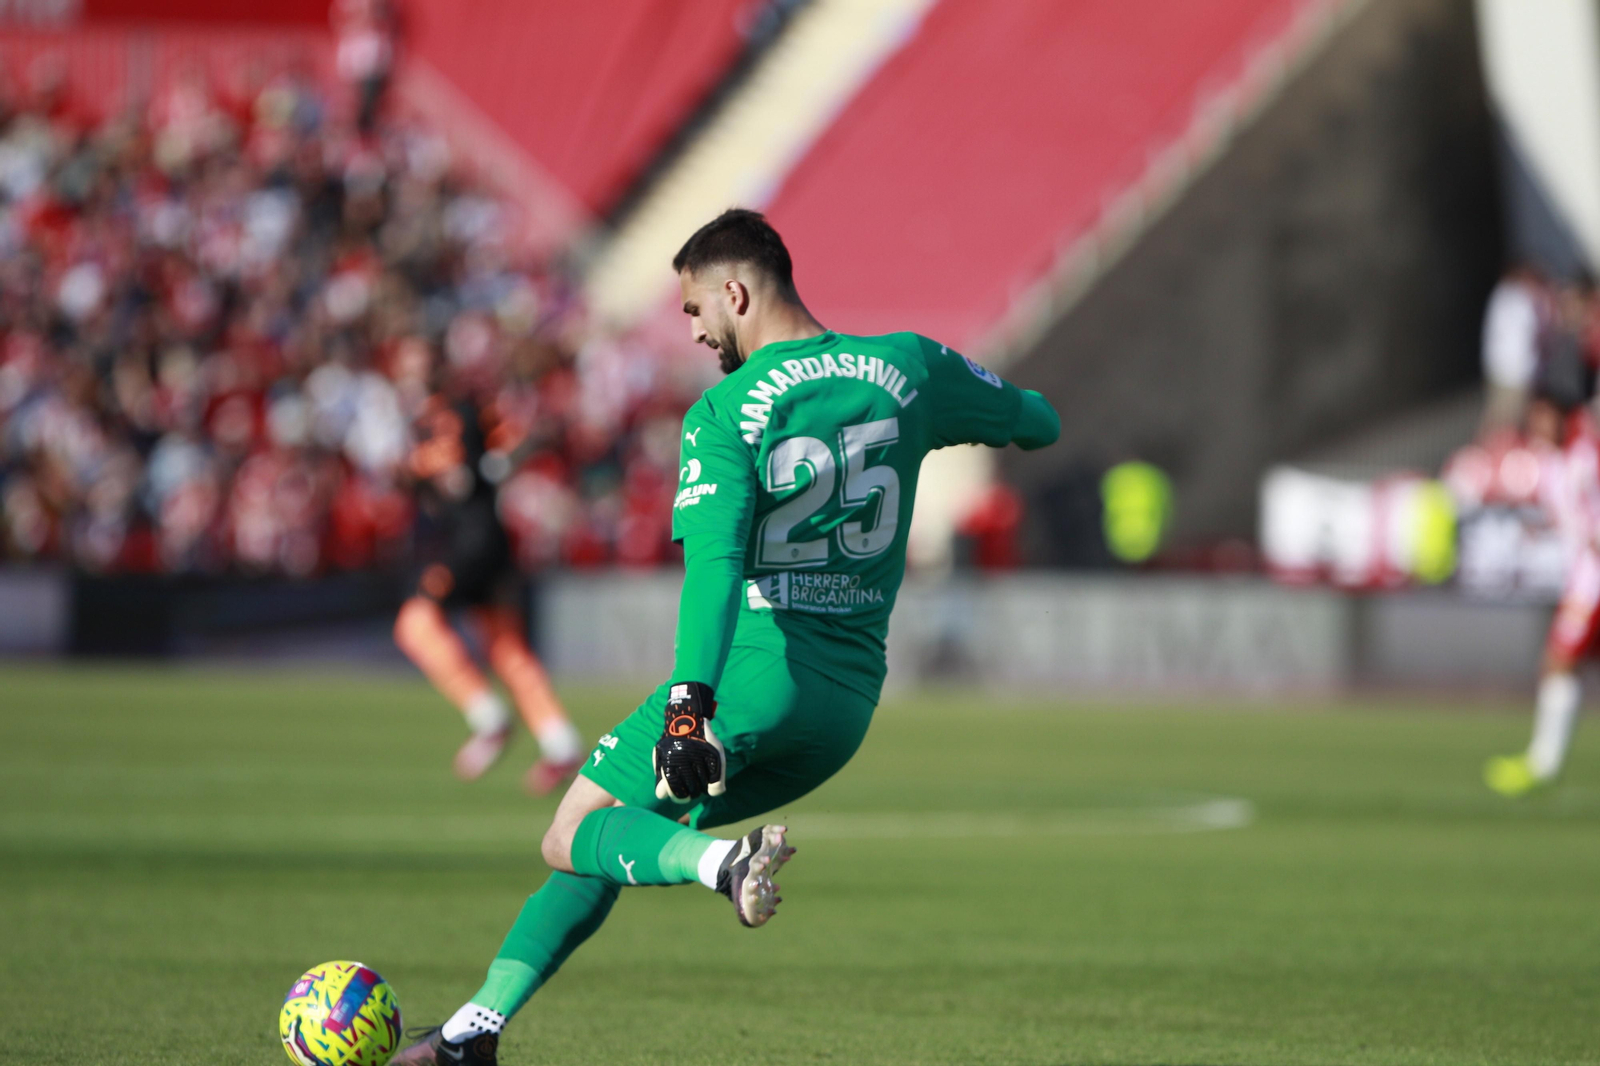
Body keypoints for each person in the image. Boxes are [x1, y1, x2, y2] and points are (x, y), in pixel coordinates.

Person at [390, 209, 1061, 1064]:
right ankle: (471, 1034)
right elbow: (1038, 422)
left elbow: (711, 571)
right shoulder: (911, 366)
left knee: (572, 829)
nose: (697, 331)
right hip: (843, 710)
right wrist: (960, 409)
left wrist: (686, 708)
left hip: (752, 674)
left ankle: (725, 866)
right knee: (617, 842)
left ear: (736, 293)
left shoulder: (725, 411)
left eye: (695, 311)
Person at [394, 383, 584, 793]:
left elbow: (521, 441)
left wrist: (494, 461)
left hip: (473, 545)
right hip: (487, 543)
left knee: (415, 622)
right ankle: (560, 742)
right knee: (506, 648)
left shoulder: (460, 413)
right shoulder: (444, 421)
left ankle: (487, 716)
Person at [1485, 353, 1599, 796]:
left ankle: (1543, 764)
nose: (1536, 424)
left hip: (1593, 580)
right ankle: (1543, 762)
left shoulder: (1583, 455)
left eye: (1543, 416)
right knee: (1560, 667)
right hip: (1584, 576)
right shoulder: (1552, 461)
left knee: (1558, 662)